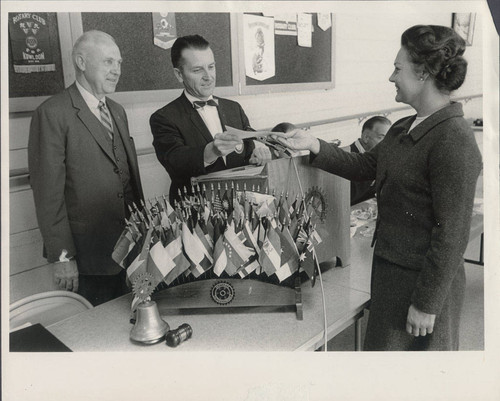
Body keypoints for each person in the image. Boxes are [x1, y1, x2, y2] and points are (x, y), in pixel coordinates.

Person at [273, 25, 482, 351]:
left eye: (398, 68)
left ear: (424, 73)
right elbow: (363, 167)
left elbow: (452, 234)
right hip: (389, 275)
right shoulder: (402, 127)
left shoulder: (454, 139)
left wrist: (427, 303)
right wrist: (313, 143)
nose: (391, 77)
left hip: (422, 285)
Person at [28, 30, 144, 306]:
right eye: (107, 62)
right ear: (81, 62)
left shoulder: (117, 110)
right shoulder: (52, 113)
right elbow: (48, 195)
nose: (116, 70)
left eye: (119, 63)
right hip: (88, 258)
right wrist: (62, 256)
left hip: (131, 250)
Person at [150, 34, 271, 203]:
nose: (208, 76)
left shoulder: (233, 108)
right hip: (196, 214)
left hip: (241, 206)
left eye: (211, 67)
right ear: (179, 75)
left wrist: (257, 153)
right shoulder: (164, 118)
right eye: (197, 70)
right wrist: (212, 151)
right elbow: (175, 162)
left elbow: (248, 148)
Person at [349, 116, 391, 205]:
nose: (387, 144)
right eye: (381, 138)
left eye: (388, 139)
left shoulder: (382, 156)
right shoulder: (348, 156)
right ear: (366, 138)